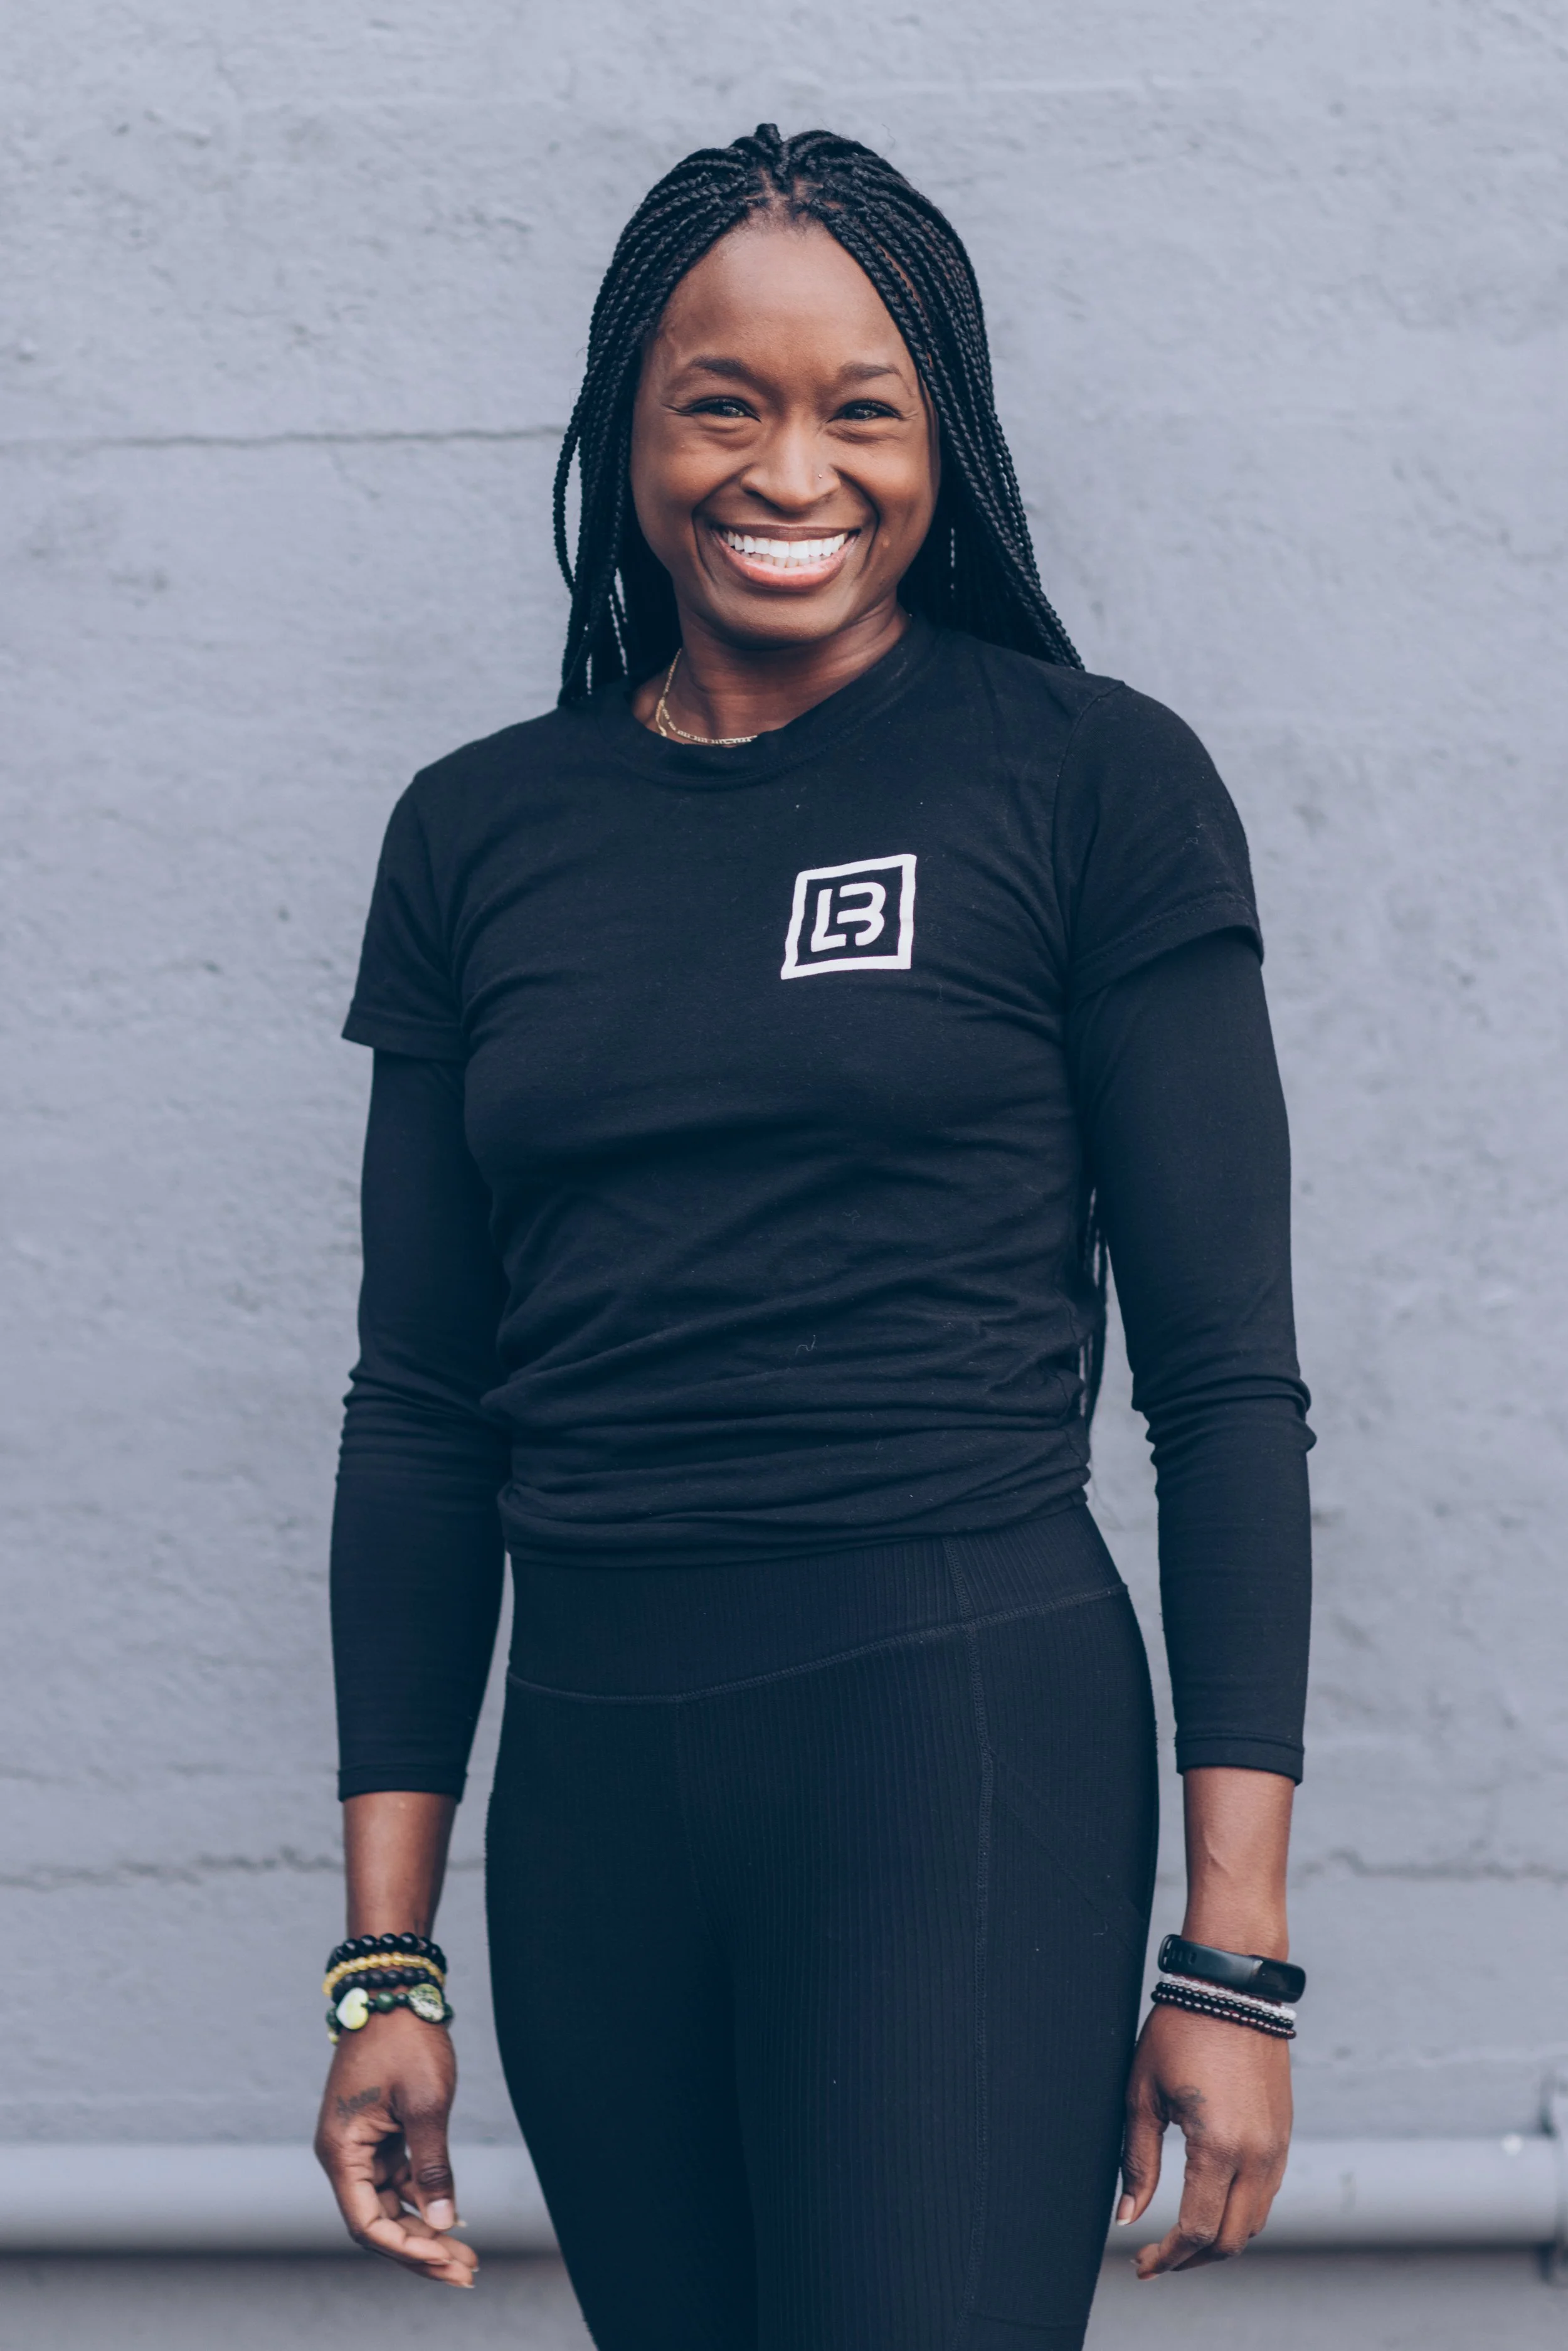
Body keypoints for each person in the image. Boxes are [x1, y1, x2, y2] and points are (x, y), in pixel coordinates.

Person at [312, 123, 1313, 2350]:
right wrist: (385, 1961)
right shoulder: (478, 833)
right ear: (627, 428)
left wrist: (1228, 1956)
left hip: (945, 1740)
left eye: (862, 406)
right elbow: (417, 1412)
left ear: (941, 435)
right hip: (593, 1787)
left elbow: (1227, 1396)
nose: (794, 467)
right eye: (721, 401)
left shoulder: (1084, 783)